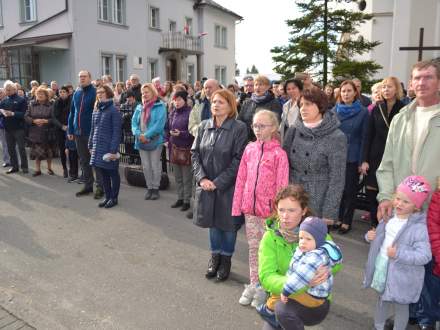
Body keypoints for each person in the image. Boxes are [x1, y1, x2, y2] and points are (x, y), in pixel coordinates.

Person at [377, 60, 440, 330]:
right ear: (410, 83)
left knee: (432, 266)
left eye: (428, 77)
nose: (421, 83)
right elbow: (388, 162)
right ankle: (411, 313)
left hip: (435, 205)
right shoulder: (401, 118)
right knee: (404, 259)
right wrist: (385, 196)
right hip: (404, 206)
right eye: (417, 78)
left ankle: (429, 318)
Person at [257, 185, 342, 330]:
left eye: (291, 210)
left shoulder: (316, 232)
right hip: (282, 297)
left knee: (282, 312)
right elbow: (266, 276)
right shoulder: (269, 237)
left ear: (303, 211)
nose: (285, 216)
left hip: (314, 301)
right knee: (277, 314)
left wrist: (328, 269)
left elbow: (336, 259)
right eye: (281, 210)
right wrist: (299, 282)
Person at [232, 110, 289, 307]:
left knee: (269, 252)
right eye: (255, 126)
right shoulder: (250, 150)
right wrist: (238, 205)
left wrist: (279, 214)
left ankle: (266, 287)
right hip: (250, 210)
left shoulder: (279, 155)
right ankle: (254, 283)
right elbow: (241, 178)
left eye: (262, 126)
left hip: (269, 214)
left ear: (273, 128)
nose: (257, 130)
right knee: (253, 248)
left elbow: (282, 187)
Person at [192, 89, 248, 282]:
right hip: (206, 185)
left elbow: (239, 159)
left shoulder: (239, 128)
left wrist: (218, 182)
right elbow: (195, 155)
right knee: (213, 224)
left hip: (229, 187)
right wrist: (202, 179)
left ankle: (226, 260)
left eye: (221, 102)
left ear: (230, 105)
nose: (215, 105)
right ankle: (214, 257)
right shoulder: (203, 126)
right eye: (214, 101)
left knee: (228, 226)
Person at [364, 176, 432, 330]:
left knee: (402, 307)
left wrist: (399, 254)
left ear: (416, 206)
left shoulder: (418, 229)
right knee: (382, 300)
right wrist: (369, 237)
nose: (399, 204)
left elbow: (425, 256)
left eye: (406, 202)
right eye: (398, 198)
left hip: (403, 275)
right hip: (383, 266)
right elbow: (379, 239)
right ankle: (378, 326)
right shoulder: (390, 218)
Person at [284, 88, 347, 226]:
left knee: (311, 243)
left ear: (321, 106)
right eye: (301, 105)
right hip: (293, 195)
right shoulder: (294, 130)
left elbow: (337, 177)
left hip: (318, 199)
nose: (303, 108)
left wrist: (329, 212)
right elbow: (284, 165)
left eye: (308, 104)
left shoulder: (336, 137)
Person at [278, 217, 342, 330]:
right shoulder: (306, 249)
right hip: (309, 291)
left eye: (308, 239)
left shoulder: (315, 256)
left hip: (314, 297)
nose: (303, 242)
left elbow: (300, 276)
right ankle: (271, 308)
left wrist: (286, 291)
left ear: (318, 241)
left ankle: (269, 308)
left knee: (282, 302)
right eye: (301, 237)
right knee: (279, 300)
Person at [361, 77, 405, 228]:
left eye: (390, 87)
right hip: (375, 155)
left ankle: (389, 223)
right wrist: (365, 159)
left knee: (390, 191)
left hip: (395, 155)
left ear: (397, 89)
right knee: (372, 191)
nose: (386, 90)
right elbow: (368, 135)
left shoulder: (403, 109)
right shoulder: (376, 109)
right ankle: (375, 223)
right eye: (384, 87)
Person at [333, 80, 368, 234]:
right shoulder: (334, 110)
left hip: (352, 156)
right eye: (343, 91)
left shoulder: (363, 111)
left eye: (349, 91)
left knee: (349, 191)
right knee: (337, 189)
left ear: (355, 93)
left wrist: (362, 161)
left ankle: (347, 220)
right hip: (336, 156)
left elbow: (364, 137)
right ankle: (338, 217)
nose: (346, 94)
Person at [67, 70, 103, 199]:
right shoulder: (77, 93)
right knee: (84, 160)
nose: (81, 78)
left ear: (90, 78)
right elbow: (72, 112)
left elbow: (100, 112)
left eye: (84, 76)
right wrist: (70, 130)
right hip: (78, 132)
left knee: (95, 161)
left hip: (91, 132)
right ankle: (88, 185)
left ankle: (100, 187)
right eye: (80, 76)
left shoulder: (95, 92)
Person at [131, 83, 167, 201]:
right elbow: (134, 123)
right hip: (141, 140)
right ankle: (149, 188)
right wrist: (138, 134)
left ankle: (155, 188)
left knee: (155, 166)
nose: (144, 94)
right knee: (146, 166)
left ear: (153, 92)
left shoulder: (160, 106)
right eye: (143, 93)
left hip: (155, 140)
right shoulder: (139, 107)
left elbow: (159, 125)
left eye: (147, 92)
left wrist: (146, 135)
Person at [89, 85, 122, 209]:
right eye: (98, 92)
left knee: (113, 173)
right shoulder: (97, 109)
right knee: (103, 174)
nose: (100, 94)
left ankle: (114, 198)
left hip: (109, 148)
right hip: (98, 147)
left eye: (102, 92)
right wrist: (90, 144)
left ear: (108, 93)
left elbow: (116, 132)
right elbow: (93, 129)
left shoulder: (114, 110)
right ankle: (107, 197)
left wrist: (113, 150)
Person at [166, 90, 194, 211]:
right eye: (175, 100)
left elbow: (193, 132)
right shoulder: (172, 113)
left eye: (179, 100)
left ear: (185, 100)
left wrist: (181, 134)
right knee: (177, 177)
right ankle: (180, 198)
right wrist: (167, 139)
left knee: (186, 177)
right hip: (174, 148)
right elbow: (167, 128)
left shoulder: (190, 113)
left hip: (186, 149)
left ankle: (187, 201)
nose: (177, 102)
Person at [238, 75, 282, 141]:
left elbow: (276, 123)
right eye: (256, 85)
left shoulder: (274, 103)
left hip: (265, 141)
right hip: (246, 140)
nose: (258, 87)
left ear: (267, 87)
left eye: (261, 85)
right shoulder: (247, 102)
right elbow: (240, 121)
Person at [24, 86, 57, 176]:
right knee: (36, 153)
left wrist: (46, 121)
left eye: (42, 94)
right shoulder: (31, 104)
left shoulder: (51, 105)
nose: (40, 95)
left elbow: (54, 118)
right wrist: (34, 121)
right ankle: (38, 170)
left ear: (46, 95)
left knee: (49, 152)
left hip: (47, 132)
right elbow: (26, 116)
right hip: (35, 132)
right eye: (38, 94)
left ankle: (49, 168)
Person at [0, 81, 28, 174]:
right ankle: (14, 166)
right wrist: (2, 113)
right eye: (6, 90)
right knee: (10, 149)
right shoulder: (4, 101)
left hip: (19, 128)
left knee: (21, 148)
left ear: (14, 89)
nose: (7, 91)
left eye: (9, 90)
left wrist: (12, 113)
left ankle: (24, 167)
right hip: (8, 128)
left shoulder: (21, 100)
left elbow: (24, 114)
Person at [53, 85, 74, 178]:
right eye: (60, 92)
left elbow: (74, 114)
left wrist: (69, 126)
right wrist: (61, 126)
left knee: (71, 150)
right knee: (62, 150)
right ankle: (64, 168)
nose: (62, 94)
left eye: (64, 92)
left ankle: (72, 169)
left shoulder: (72, 101)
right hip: (60, 129)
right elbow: (53, 117)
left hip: (70, 128)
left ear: (68, 93)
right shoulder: (56, 103)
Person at [279, 79, 303, 144]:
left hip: (300, 138)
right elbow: (283, 123)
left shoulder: (304, 103)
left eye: (294, 88)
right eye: (288, 89)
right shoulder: (286, 105)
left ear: (299, 88)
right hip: (287, 137)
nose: (291, 91)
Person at [0, 88, 10, 168]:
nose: (0, 94)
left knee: (12, 144)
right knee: (4, 144)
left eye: (1, 92)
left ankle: (14, 160)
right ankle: (6, 161)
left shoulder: (8, 100)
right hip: (1, 126)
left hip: (9, 125)